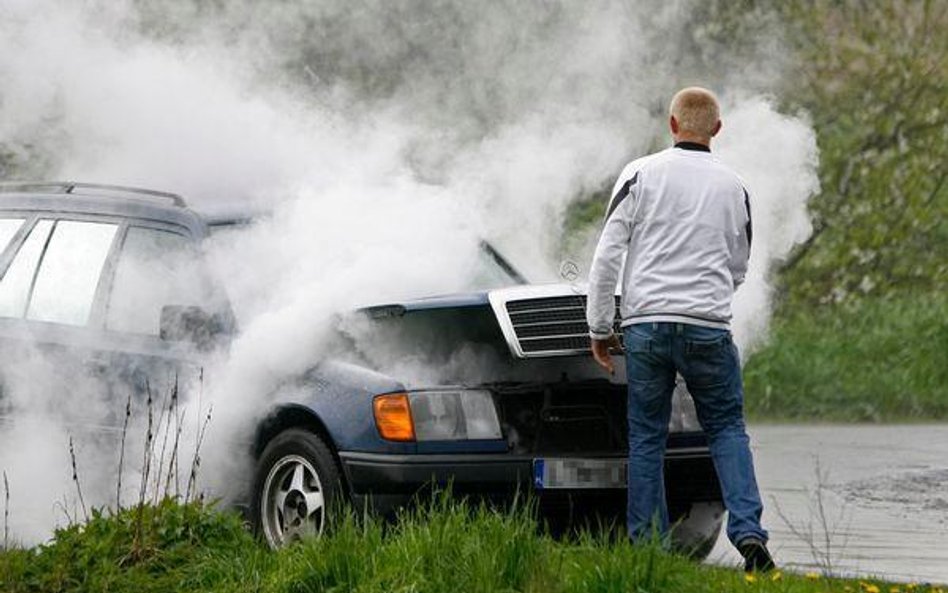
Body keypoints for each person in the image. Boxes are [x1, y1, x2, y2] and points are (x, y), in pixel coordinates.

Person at [585, 86, 775, 572]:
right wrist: (709, 301)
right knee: (727, 429)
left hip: (647, 327)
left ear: (672, 125)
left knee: (647, 437)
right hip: (708, 326)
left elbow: (608, 254)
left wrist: (600, 325)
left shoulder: (640, 174)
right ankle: (750, 535)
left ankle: (650, 549)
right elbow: (739, 264)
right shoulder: (734, 187)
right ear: (716, 128)